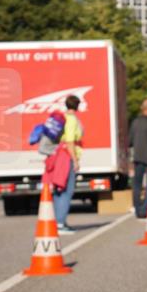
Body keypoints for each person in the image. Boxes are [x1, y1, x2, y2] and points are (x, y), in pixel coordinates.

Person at [55, 96, 83, 234]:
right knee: (67, 190)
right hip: (67, 157)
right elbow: (70, 141)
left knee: (59, 189)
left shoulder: (63, 117)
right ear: (77, 105)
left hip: (59, 155)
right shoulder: (72, 119)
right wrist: (75, 161)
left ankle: (60, 221)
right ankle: (60, 223)